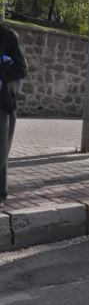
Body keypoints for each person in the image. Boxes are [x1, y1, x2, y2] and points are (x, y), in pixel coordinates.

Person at [0, 24, 28, 208]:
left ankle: (0, 194)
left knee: (0, 153)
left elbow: (22, 68)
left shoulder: (9, 37)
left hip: (3, 105)